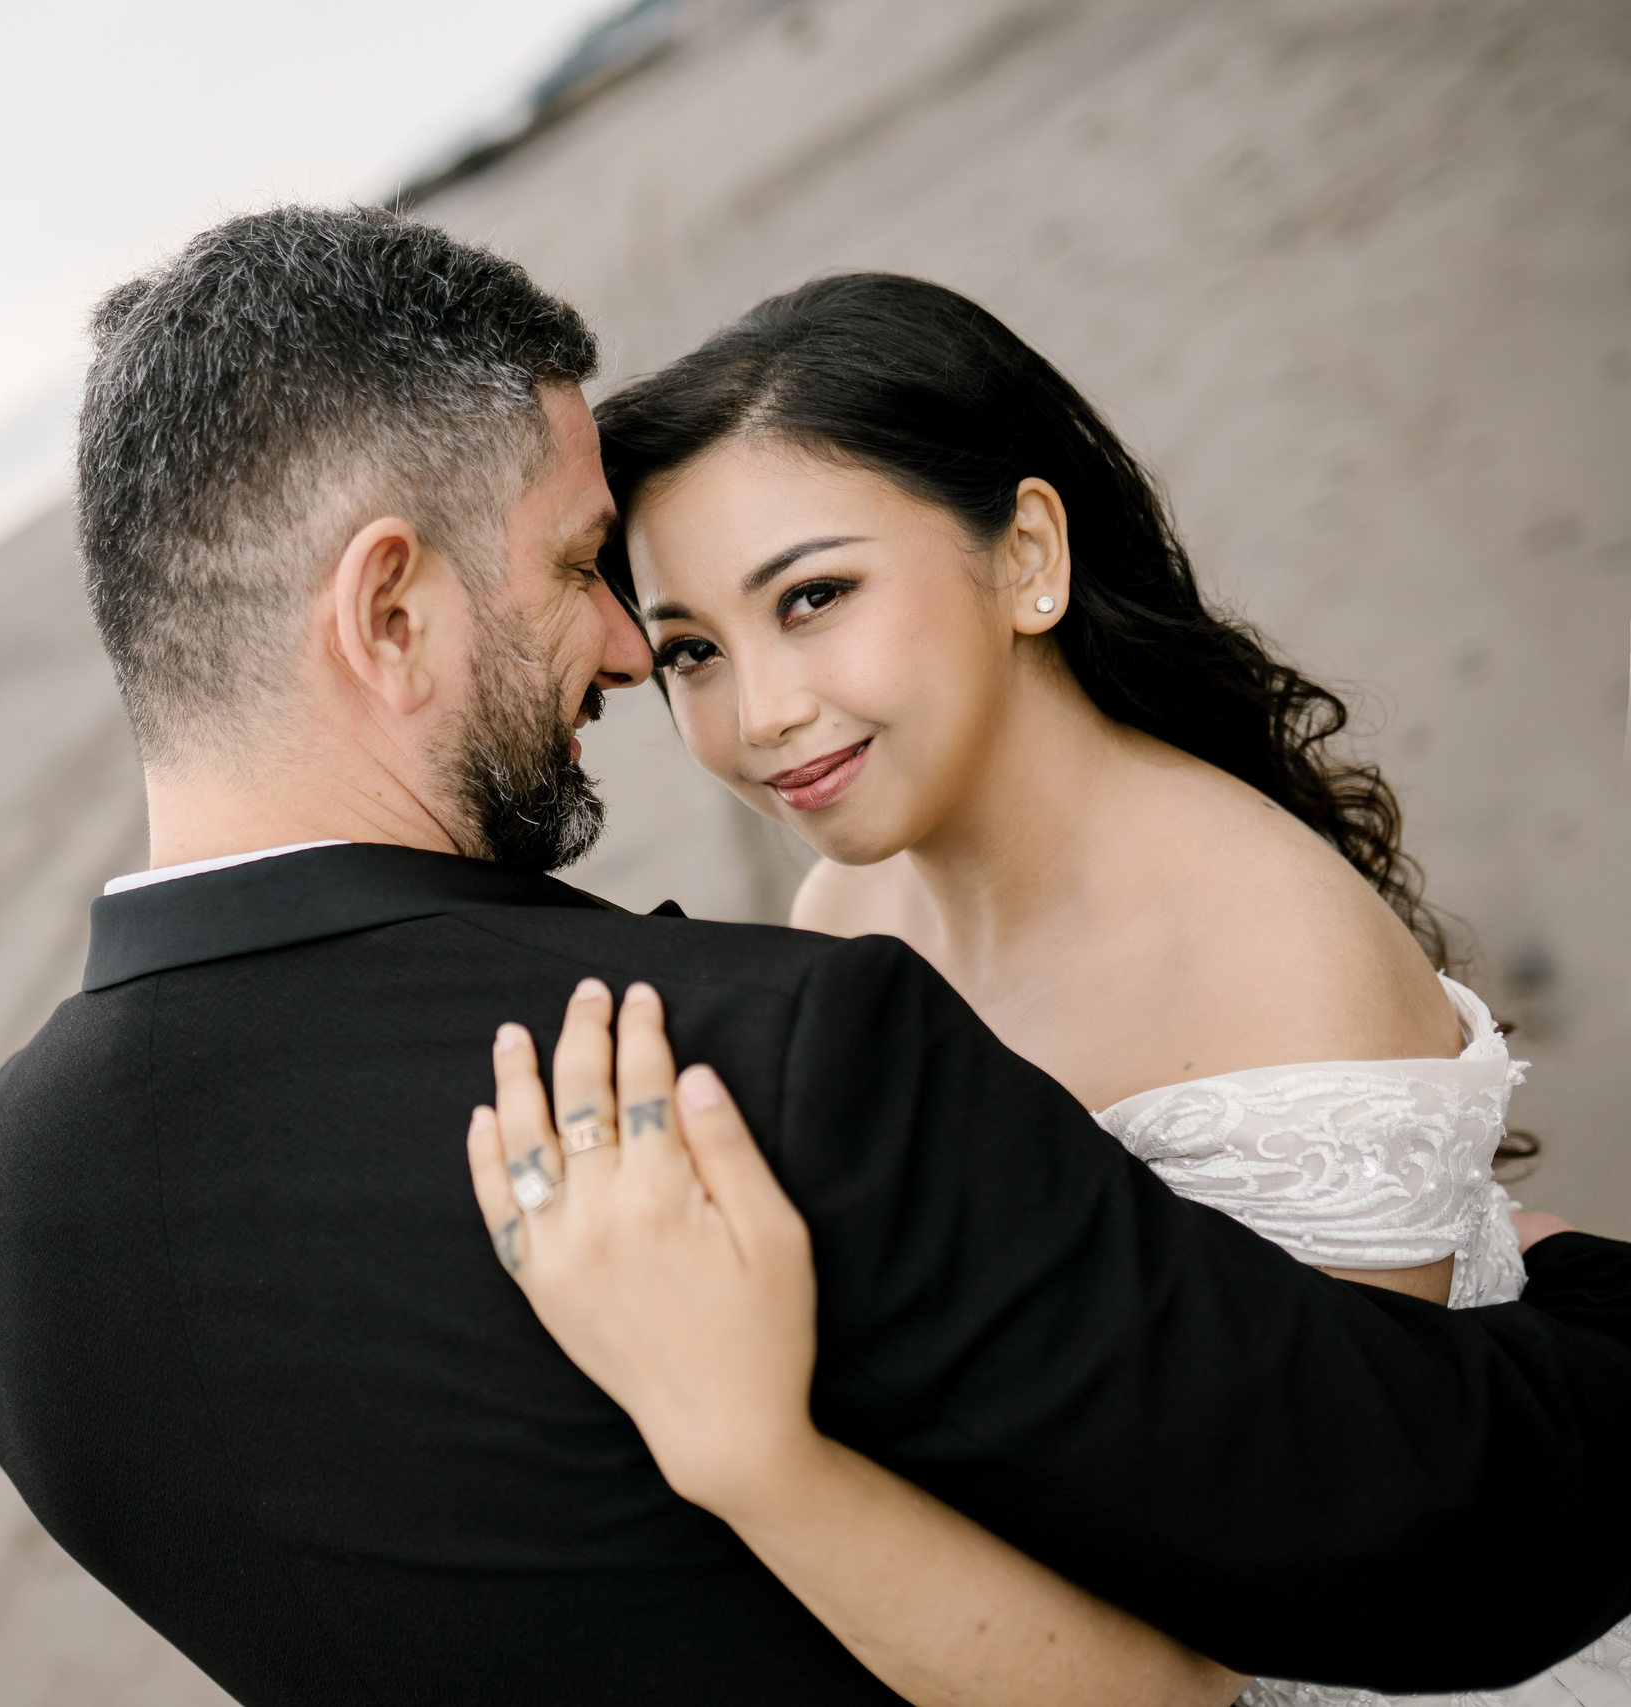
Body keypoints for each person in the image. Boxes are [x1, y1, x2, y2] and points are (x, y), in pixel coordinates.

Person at [0, 207, 1631, 1707]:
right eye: (605, 584)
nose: (623, 659)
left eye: (804, 598)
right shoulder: (751, 1061)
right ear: (388, 611)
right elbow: (1409, 1544)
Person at [464, 273, 1631, 1705]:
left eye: (816, 597)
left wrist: (760, 1452)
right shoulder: (845, 906)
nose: (759, 712)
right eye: (695, 649)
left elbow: (1299, 1588)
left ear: (1026, 555)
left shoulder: (1263, 949)